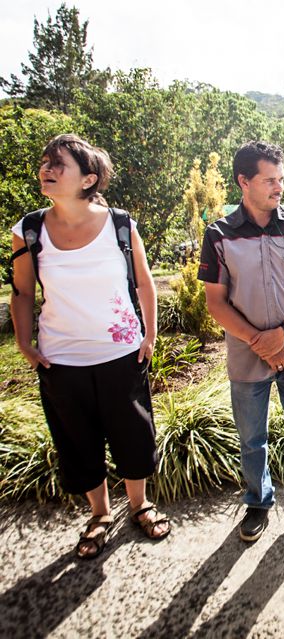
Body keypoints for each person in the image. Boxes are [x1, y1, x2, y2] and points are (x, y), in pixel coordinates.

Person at [9, 133, 170, 559]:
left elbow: (144, 281)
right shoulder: (27, 230)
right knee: (77, 441)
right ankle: (99, 515)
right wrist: (25, 344)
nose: (47, 169)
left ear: (88, 179)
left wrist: (149, 334)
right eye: (45, 161)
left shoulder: (119, 223)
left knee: (133, 434)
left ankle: (140, 505)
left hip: (121, 352)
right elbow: (23, 293)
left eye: (58, 163)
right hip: (60, 358)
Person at [198, 141, 284, 542]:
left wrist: (282, 334)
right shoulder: (220, 234)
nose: (279, 187)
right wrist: (260, 341)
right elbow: (215, 303)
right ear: (244, 181)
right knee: (251, 437)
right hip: (247, 354)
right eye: (269, 180)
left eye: (281, 178)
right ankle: (258, 503)